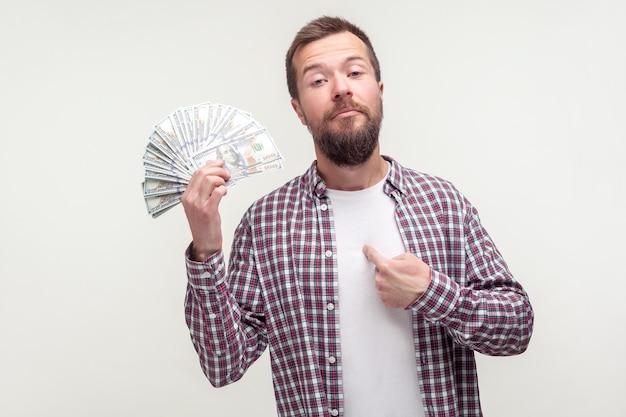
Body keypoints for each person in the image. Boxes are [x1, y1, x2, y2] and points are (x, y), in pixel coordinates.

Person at [181, 16, 534, 417]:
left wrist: (432, 293)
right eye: (318, 80)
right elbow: (223, 365)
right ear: (298, 110)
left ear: (379, 90)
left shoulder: (443, 203)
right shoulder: (266, 224)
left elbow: (517, 329)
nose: (341, 88)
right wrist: (206, 250)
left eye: (354, 72)